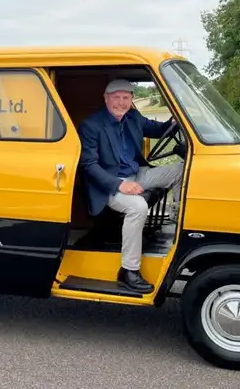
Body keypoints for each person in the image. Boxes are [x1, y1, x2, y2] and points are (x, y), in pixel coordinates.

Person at [77, 79, 184, 294]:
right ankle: (128, 270)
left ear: (132, 99)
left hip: (136, 174)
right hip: (108, 183)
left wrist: (176, 121)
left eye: (126, 97)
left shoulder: (133, 117)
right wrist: (120, 184)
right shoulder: (91, 125)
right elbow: (88, 165)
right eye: (116, 97)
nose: (121, 102)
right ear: (106, 98)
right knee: (138, 207)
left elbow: (157, 129)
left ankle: (181, 226)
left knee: (182, 169)